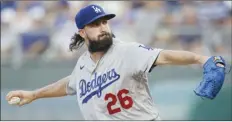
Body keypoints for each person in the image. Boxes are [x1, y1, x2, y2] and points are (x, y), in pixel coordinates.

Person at [6, 4, 226, 120]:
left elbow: (165, 55)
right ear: (82, 32)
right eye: (95, 25)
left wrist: (201, 58)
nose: (103, 28)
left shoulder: (127, 51)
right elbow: (69, 84)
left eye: (104, 22)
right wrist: (34, 95)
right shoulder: (83, 65)